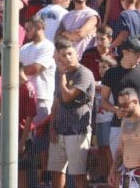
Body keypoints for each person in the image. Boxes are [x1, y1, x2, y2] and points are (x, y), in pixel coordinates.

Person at [47, 39, 94, 188]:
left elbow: (67, 97)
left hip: (77, 130)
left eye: (70, 54)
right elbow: (57, 100)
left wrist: (62, 75)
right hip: (59, 129)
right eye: (63, 55)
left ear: (77, 54)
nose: (67, 58)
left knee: (78, 174)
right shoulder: (59, 73)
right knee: (56, 171)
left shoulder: (84, 73)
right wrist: (52, 127)